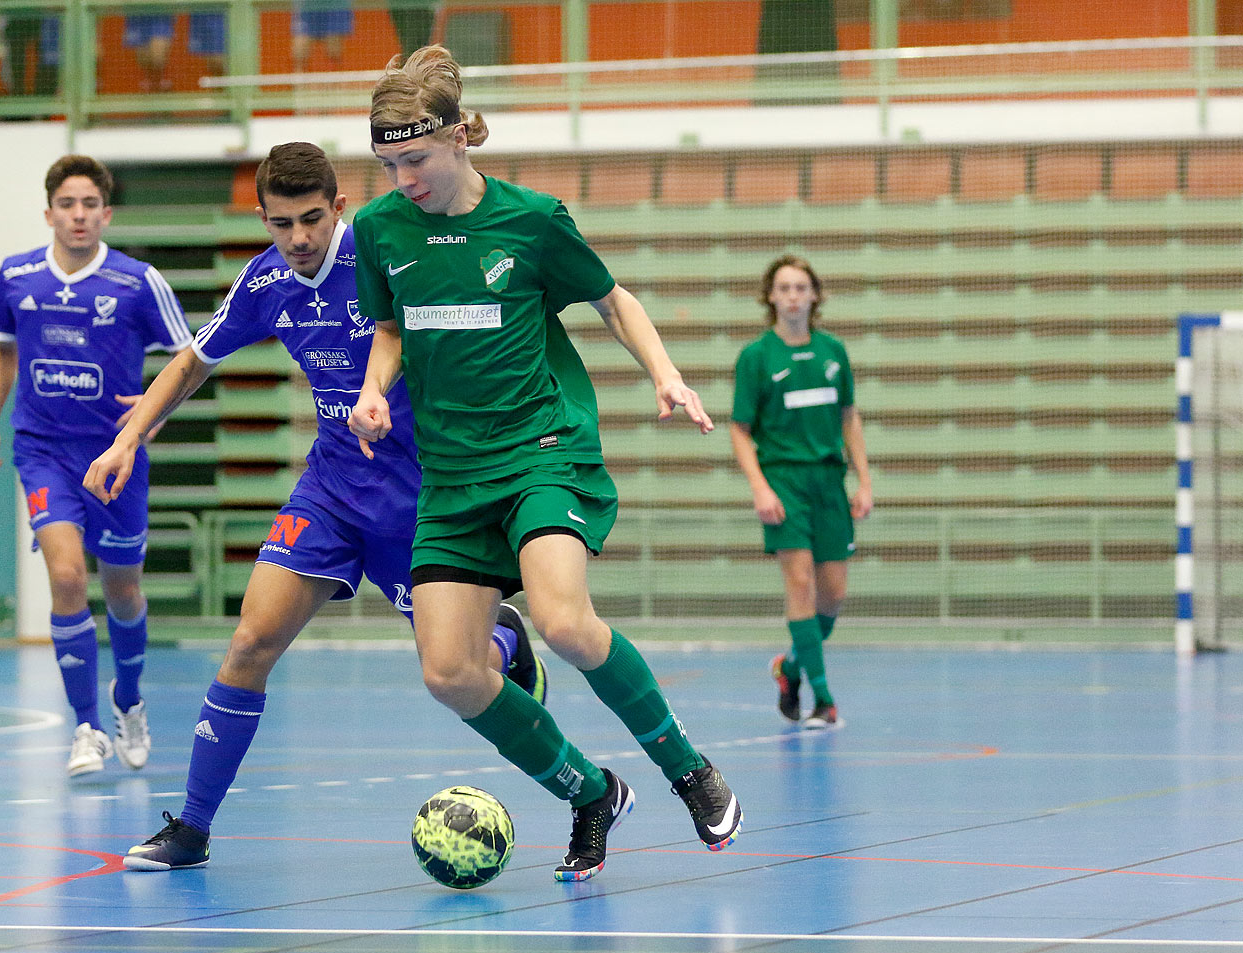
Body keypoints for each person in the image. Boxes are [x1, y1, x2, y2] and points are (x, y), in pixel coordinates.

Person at [81, 142, 548, 871]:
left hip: (423, 495)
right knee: (249, 642)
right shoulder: (266, 280)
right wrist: (129, 440)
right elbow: (193, 361)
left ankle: (507, 639)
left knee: (456, 670)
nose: (297, 239)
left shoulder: (390, 253)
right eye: (280, 224)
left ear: (338, 209)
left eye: (310, 220)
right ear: (264, 220)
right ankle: (193, 828)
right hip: (330, 491)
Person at [348, 45, 743, 883]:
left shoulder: (532, 220)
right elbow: (389, 330)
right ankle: (590, 791)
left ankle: (687, 770)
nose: (403, 178)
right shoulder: (380, 231)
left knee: (563, 622)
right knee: (450, 673)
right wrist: (374, 390)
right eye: (387, 164)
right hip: (453, 475)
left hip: (541, 450)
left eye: (415, 159)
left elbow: (613, 299)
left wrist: (667, 376)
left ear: (460, 138)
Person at [0, 154, 193, 776]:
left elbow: (188, 357)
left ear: (106, 213)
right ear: (49, 212)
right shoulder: (17, 277)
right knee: (69, 579)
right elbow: (3, 352)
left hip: (116, 459)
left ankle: (129, 700)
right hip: (42, 451)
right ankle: (87, 727)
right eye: (67, 204)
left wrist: (151, 414)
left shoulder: (136, 282)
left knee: (122, 589)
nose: (78, 215)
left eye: (89, 205)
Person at [730, 255, 871, 729]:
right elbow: (740, 429)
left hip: (829, 482)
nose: (793, 295)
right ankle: (824, 699)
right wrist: (760, 487)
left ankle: (789, 668)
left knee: (833, 594)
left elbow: (849, 418)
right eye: (784, 287)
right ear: (771, 297)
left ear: (814, 296)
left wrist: (864, 480)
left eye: (801, 287)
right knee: (801, 584)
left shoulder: (834, 353)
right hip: (784, 481)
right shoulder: (757, 357)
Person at [290, 0, 352, 73]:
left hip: (335, 7)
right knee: (301, 51)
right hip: (306, 8)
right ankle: (299, 81)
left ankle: (335, 81)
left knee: (334, 52)